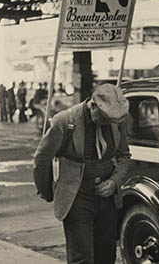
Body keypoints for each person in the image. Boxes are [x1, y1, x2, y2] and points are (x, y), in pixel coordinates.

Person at [34, 83, 132, 264]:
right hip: (77, 197)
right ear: (93, 105)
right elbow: (41, 159)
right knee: (82, 257)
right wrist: (49, 192)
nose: (106, 124)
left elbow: (124, 156)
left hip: (107, 199)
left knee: (106, 255)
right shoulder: (65, 121)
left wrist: (114, 181)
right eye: (103, 119)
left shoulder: (116, 121)